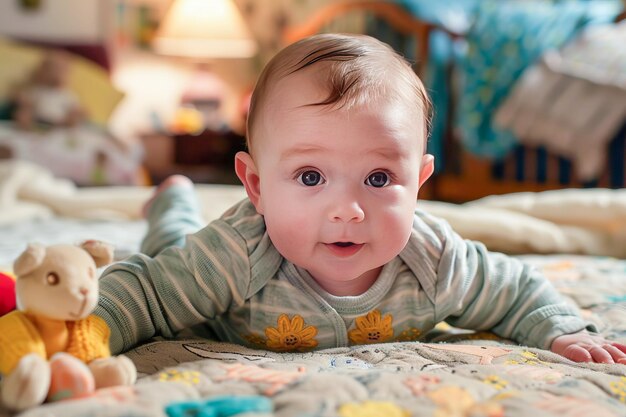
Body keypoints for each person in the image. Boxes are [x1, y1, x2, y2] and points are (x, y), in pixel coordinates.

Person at [95, 33, 626, 364]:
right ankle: (172, 198)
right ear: (255, 186)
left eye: (377, 179)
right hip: (201, 261)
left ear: (418, 183)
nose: (347, 210)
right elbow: (148, 294)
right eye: (309, 177)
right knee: (173, 247)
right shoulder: (236, 253)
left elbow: (513, 291)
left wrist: (560, 329)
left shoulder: (434, 259)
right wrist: (88, 329)